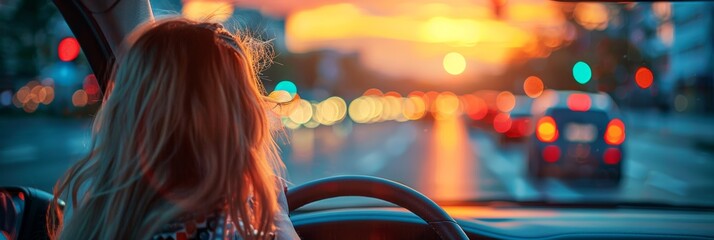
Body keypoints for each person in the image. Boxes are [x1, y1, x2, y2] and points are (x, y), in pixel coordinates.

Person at [46, 18, 299, 240]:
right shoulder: (221, 228)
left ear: (122, 116)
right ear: (240, 125)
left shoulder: (94, 219)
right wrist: (278, 219)